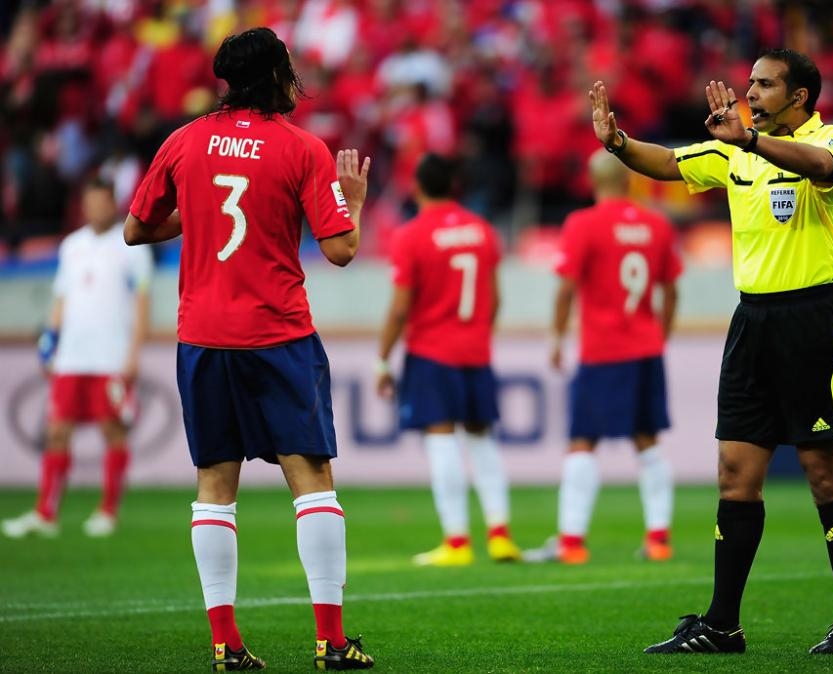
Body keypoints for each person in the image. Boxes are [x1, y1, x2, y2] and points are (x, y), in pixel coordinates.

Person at [589, 48, 833, 655]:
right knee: (735, 474)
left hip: (813, 320)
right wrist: (618, 143)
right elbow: (668, 162)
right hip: (752, 322)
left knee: (824, 471)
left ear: (798, 96)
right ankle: (722, 625)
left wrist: (749, 140)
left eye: (765, 85)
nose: (752, 93)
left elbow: (821, 167)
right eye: (751, 83)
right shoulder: (733, 151)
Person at [123, 27, 374, 671]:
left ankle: (226, 645)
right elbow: (341, 250)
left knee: (214, 484)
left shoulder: (184, 140)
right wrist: (354, 203)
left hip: (203, 336)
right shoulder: (301, 147)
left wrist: (199, 212)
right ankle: (331, 642)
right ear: (276, 76)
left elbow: (135, 229)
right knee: (311, 481)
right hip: (277, 334)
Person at [523, 150, 682, 565]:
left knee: (583, 441)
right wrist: (660, 336)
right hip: (645, 347)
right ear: (629, 181)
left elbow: (565, 289)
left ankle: (572, 542)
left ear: (593, 182)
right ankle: (658, 539)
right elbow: (671, 291)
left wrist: (557, 338)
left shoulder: (583, 224)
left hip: (602, 350)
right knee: (647, 439)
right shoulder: (657, 224)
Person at [375, 153, 521, 568]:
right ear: (454, 186)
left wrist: (382, 359)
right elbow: (495, 298)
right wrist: (477, 336)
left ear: (417, 186)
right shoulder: (481, 230)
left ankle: (457, 541)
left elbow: (400, 308)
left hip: (432, 352)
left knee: (441, 441)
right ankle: (500, 535)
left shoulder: (411, 235)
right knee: (482, 439)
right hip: (475, 351)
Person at [2, 177, 152, 540]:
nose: (96, 208)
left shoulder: (132, 245)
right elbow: (61, 300)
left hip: (111, 356)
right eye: (91, 202)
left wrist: (134, 353)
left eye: (102, 202)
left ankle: (108, 511)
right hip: (71, 356)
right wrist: (48, 344)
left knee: (112, 431)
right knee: (56, 431)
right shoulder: (72, 246)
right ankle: (46, 512)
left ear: (113, 204)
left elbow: (142, 304)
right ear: (83, 206)